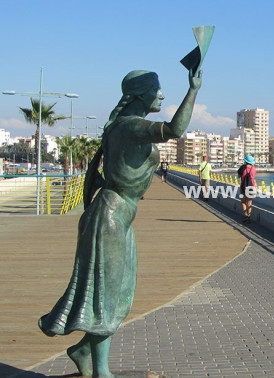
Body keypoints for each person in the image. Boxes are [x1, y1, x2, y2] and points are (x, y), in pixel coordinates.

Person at [38, 68, 202, 378]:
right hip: (110, 217)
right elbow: (174, 130)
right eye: (158, 90)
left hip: (120, 216)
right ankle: (101, 371)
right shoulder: (131, 127)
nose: (163, 95)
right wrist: (193, 90)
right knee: (108, 298)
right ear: (141, 95)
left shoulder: (124, 126)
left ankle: (84, 350)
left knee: (121, 296)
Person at [238, 155, 257, 223]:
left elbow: (238, 176)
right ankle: (249, 216)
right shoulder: (253, 169)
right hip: (251, 187)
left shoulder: (242, 168)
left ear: (245, 161)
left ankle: (245, 214)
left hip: (243, 187)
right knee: (249, 203)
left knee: (243, 202)